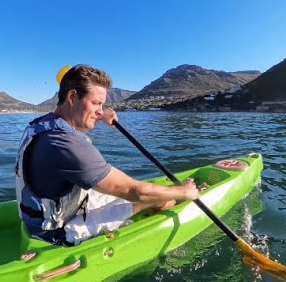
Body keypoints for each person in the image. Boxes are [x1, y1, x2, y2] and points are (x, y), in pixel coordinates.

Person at [15, 65, 201, 246]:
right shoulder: (66, 145)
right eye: (96, 103)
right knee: (146, 197)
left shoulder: (41, 125)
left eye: (102, 105)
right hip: (56, 232)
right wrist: (185, 192)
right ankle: (177, 197)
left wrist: (98, 115)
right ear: (72, 97)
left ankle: (170, 195)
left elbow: (74, 125)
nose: (100, 110)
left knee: (143, 192)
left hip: (48, 212)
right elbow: (134, 192)